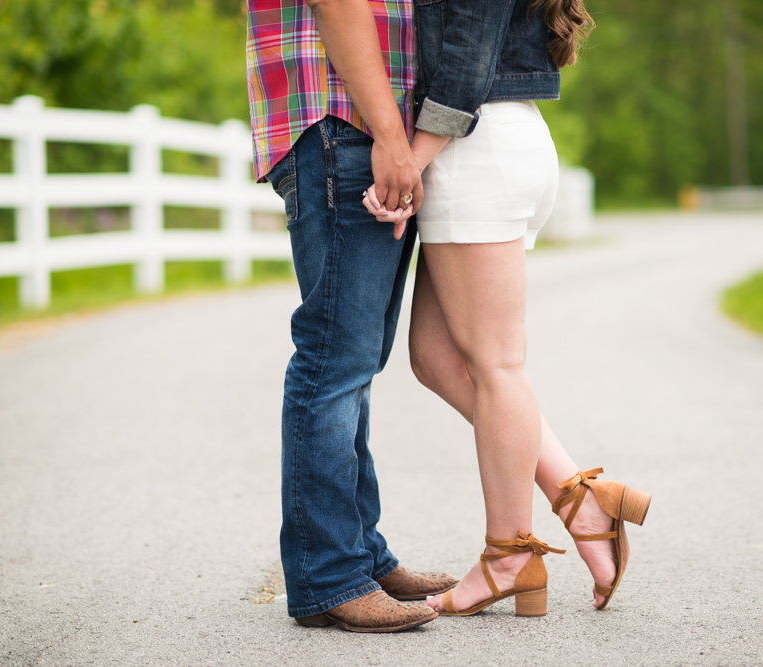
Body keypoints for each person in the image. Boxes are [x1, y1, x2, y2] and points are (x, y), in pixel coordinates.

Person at [363, 0, 652, 616]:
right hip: (493, 139)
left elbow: (466, 61)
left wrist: (406, 165)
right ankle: (581, 498)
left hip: (474, 147)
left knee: (497, 364)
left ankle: (509, 556)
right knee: (438, 358)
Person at [245, 0, 457, 633]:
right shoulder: (366, 132)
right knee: (334, 358)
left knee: (355, 358)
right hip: (346, 122)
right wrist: (393, 140)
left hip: (364, 124)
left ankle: (359, 555)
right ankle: (327, 575)